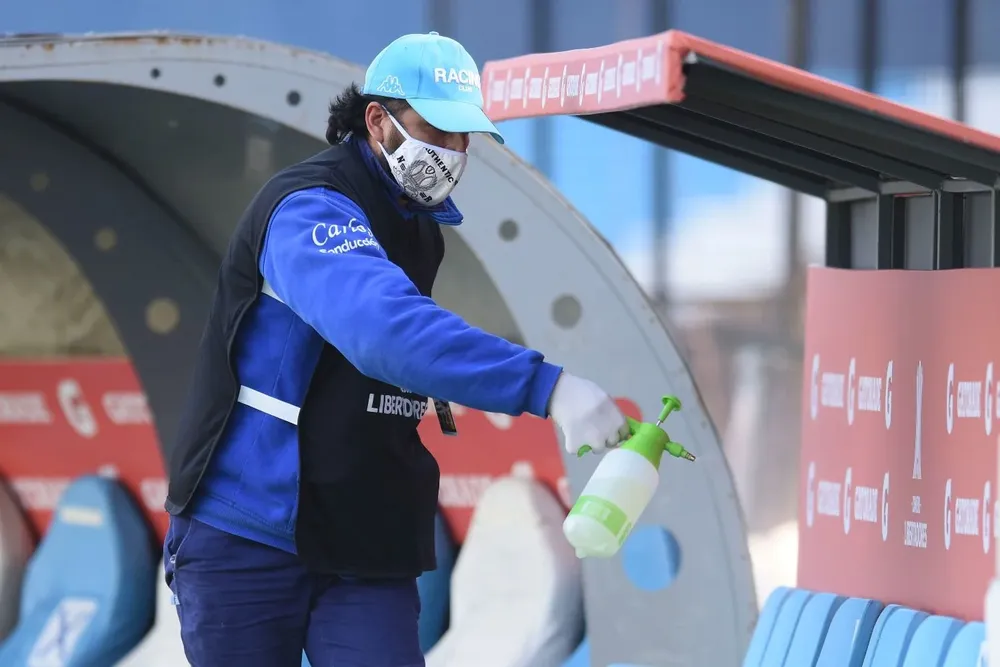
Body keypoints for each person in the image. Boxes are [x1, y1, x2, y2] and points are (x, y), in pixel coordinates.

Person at [162, 31, 628, 667]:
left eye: (465, 137)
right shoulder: (309, 208)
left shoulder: (419, 226)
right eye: (437, 130)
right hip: (252, 532)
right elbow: (383, 330)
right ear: (377, 121)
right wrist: (546, 385)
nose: (454, 152)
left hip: (365, 537)